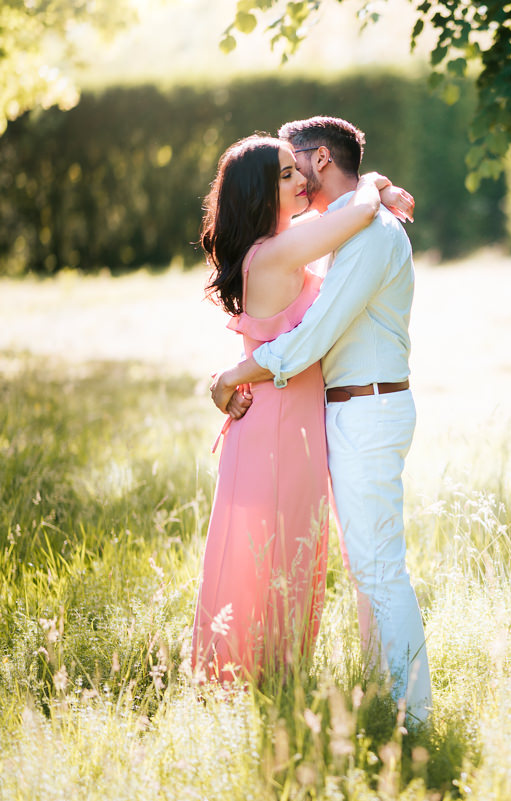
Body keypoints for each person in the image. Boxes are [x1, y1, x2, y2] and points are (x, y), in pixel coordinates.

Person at [209, 117, 431, 724]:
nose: (297, 180)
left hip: (367, 408)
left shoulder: (367, 234)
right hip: (339, 412)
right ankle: (379, 694)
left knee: (378, 568)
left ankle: (412, 715)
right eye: (283, 173)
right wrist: (374, 186)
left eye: (296, 164)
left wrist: (236, 375)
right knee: (358, 566)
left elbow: (312, 339)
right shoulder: (338, 230)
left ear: (322, 158)